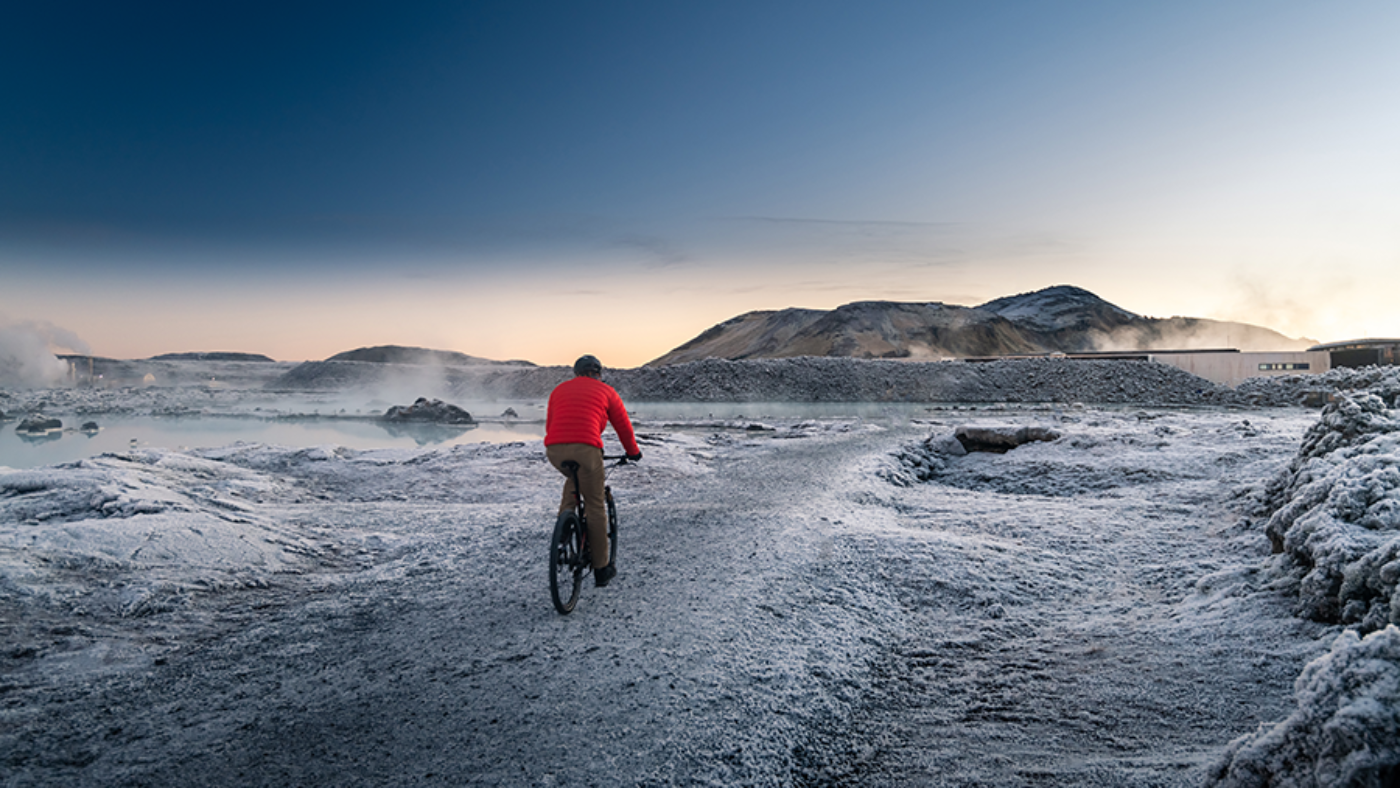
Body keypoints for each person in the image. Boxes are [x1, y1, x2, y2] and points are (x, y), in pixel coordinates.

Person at [545, 354, 642, 587]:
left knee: (574, 480)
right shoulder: (606, 391)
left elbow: (550, 423)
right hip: (587, 449)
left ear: (576, 372)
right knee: (595, 504)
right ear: (599, 372)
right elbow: (623, 426)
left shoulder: (559, 390)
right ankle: (601, 568)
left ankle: (565, 529)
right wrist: (633, 452)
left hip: (554, 449)